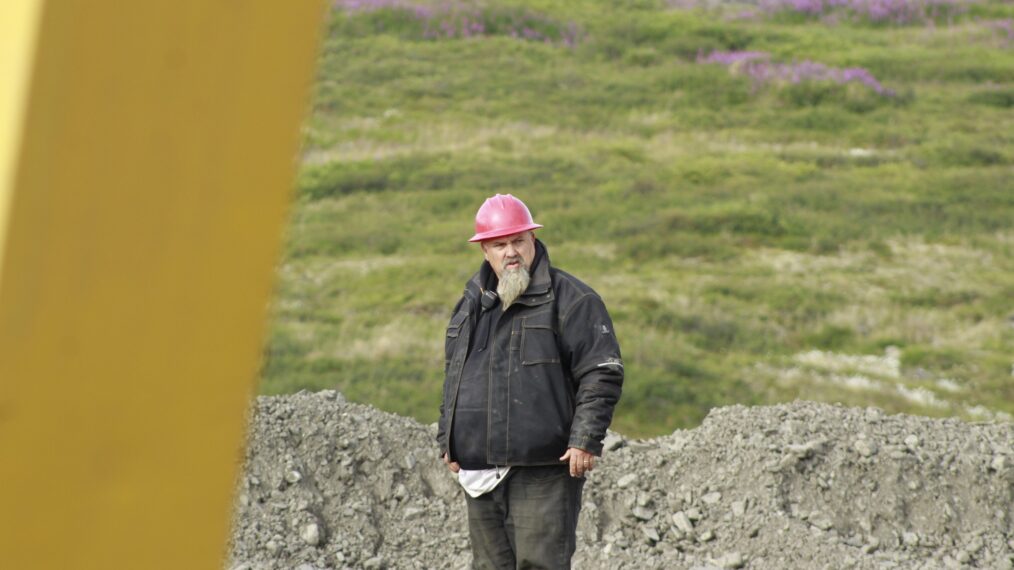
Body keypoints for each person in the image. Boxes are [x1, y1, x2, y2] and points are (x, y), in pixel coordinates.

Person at [437, 193, 624, 570]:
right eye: (499, 244)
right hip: (478, 470)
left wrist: (584, 440)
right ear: (484, 250)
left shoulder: (573, 300)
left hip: (545, 471)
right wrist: (448, 439)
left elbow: (601, 370)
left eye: (519, 240)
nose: (511, 252)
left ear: (533, 240)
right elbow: (453, 375)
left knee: (540, 565)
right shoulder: (470, 305)